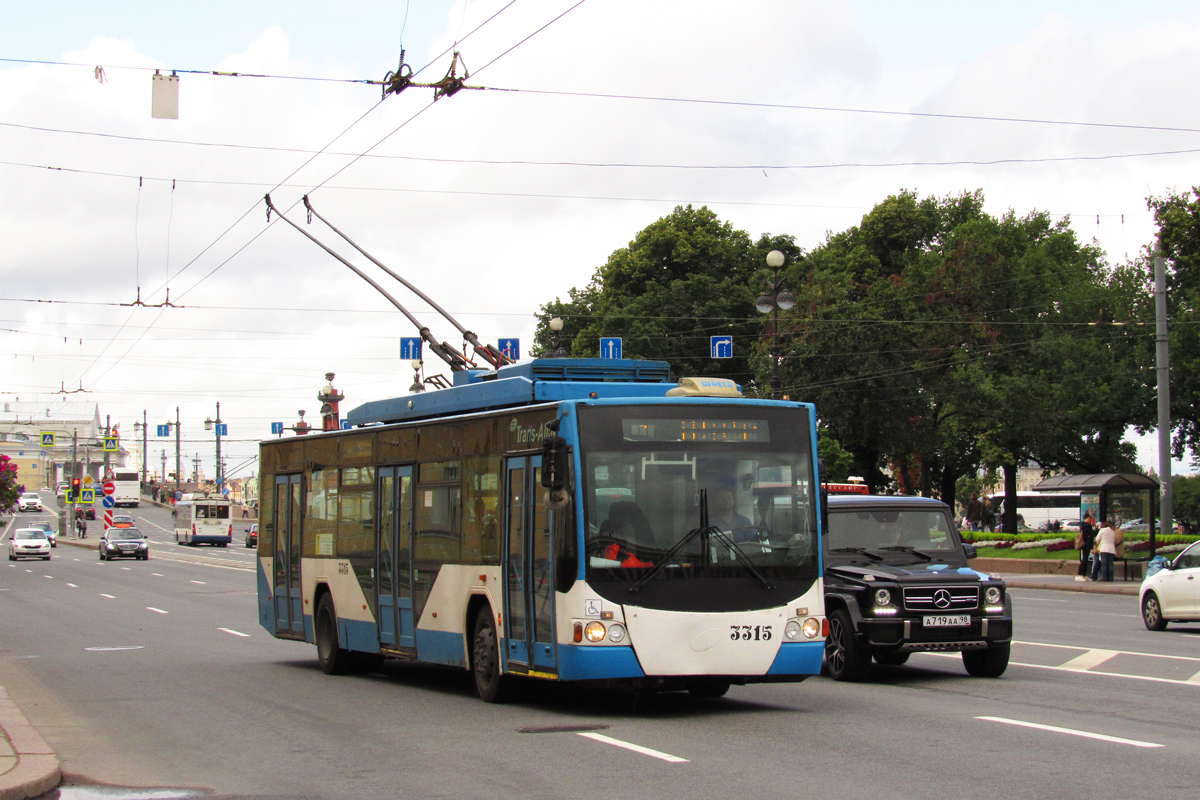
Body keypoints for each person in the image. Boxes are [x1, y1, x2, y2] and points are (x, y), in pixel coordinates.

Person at [1093, 518, 1121, 582]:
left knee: (1104, 564)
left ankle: (1104, 577)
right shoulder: (1113, 532)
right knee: (1110, 564)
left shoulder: (1102, 530)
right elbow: (1114, 541)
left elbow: (1097, 539)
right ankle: (1110, 577)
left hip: (1104, 549)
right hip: (1112, 549)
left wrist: (1096, 544)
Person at [1076, 511, 1097, 582]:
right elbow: (1093, 533)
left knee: (1085, 559)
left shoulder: (1082, 525)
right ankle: (1079, 574)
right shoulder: (1087, 526)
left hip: (1083, 544)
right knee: (1084, 560)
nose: (1091, 521)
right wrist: (1097, 530)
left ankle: (1083, 574)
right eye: (1091, 519)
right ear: (1088, 518)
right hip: (1086, 544)